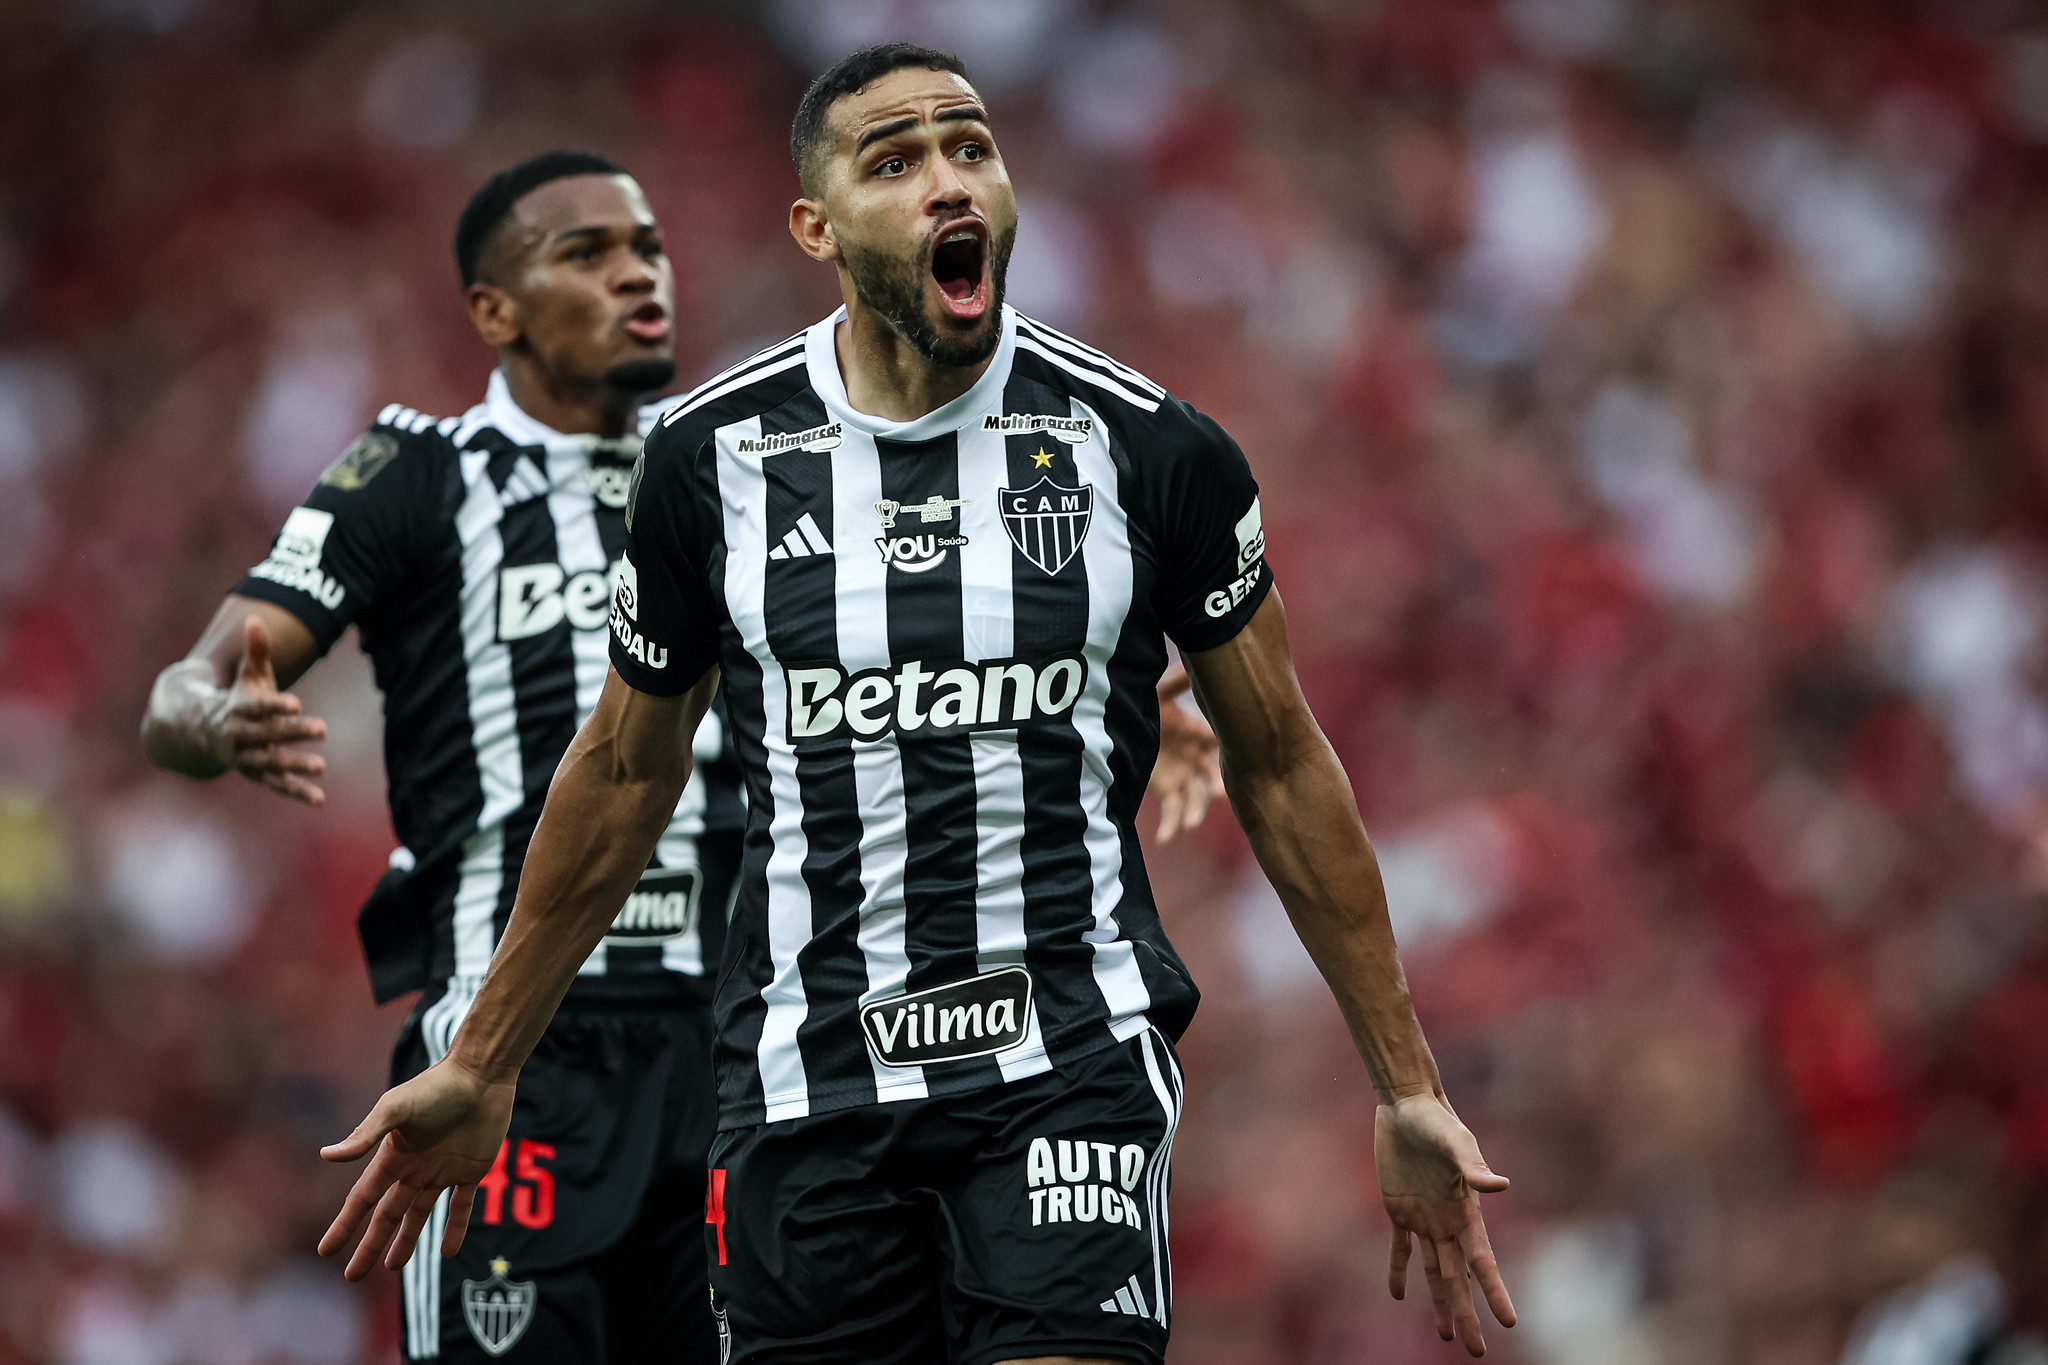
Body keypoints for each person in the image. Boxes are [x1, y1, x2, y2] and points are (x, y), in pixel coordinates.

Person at [314, 45, 1514, 1365]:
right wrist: (487, 1061)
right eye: (896, 161)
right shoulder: (708, 463)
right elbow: (619, 778)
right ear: (817, 228)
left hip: (1066, 1059)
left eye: (971, 147)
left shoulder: (1153, 449)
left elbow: (1283, 763)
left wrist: (1407, 1085)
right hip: (803, 1088)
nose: (949, 180)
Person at [141, 151, 733, 1364]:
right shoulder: (419, 474)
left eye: (646, 247)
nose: (636, 273)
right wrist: (210, 720)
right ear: (492, 310)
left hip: (739, 1047)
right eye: (586, 252)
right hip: (507, 1053)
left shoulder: (740, 468)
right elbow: (185, 690)